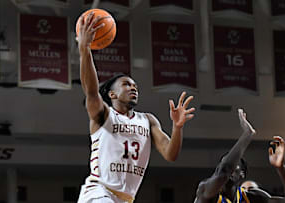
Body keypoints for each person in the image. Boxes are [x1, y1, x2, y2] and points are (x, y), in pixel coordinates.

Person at [76, 11, 195, 203]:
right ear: (112, 94)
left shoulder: (147, 120)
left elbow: (170, 154)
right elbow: (91, 91)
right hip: (98, 193)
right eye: (126, 84)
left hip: (126, 199)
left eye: (135, 86)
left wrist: (177, 128)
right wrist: (84, 49)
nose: (133, 88)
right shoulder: (104, 115)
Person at [194, 109, 285, 203]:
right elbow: (223, 173)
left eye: (234, 165)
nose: (227, 167)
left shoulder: (251, 197)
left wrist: (281, 168)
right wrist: (247, 134)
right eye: (222, 164)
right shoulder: (205, 191)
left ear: (242, 174)